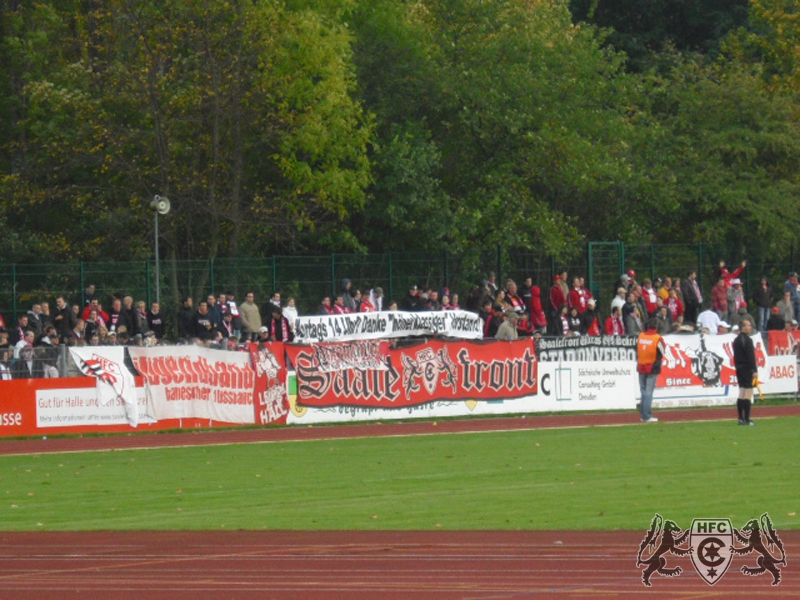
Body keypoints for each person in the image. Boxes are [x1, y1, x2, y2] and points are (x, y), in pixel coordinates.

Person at [637, 318, 666, 423]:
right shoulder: (657, 338)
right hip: (652, 367)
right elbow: (663, 351)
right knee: (649, 392)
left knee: (643, 391)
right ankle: (647, 415)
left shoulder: (641, 336)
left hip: (641, 366)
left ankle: (643, 414)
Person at [733, 318, 757, 426]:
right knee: (748, 393)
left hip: (739, 368)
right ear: (743, 327)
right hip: (747, 368)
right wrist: (754, 370)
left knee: (741, 392)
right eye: (748, 325)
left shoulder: (736, 340)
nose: (750, 327)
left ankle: (740, 418)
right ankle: (747, 419)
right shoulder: (748, 340)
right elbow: (751, 357)